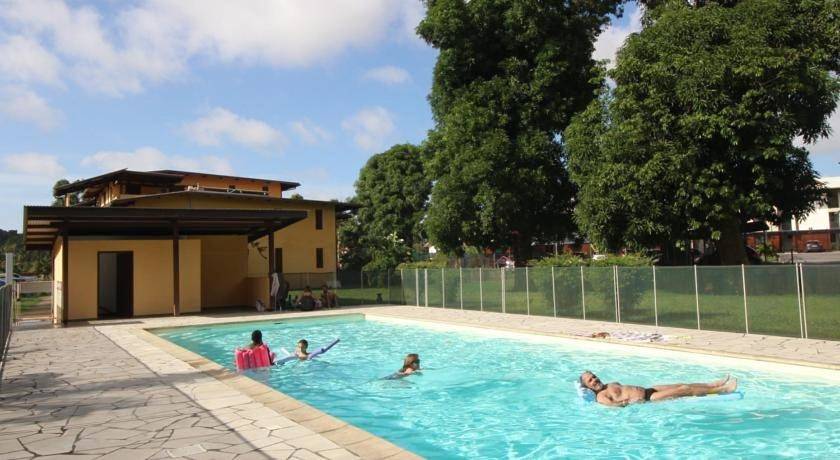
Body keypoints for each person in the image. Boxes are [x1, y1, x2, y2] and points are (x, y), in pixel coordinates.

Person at [578, 371, 736, 407]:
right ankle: (723, 390)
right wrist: (631, 402)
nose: (595, 379)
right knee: (684, 389)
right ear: (588, 387)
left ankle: (714, 384)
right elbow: (615, 406)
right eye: (590, 380)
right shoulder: (601, 397)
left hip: (649, 389)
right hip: (649, 398)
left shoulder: (610, 384)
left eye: (594, 376)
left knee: (681, 384)